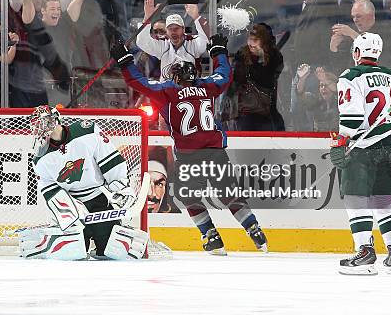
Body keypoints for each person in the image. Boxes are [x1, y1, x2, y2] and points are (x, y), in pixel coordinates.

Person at [111, 34, 268, 254]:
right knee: (230, 194)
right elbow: (224, 74)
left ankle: (211, 236)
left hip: (188, 156)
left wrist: (125, 61)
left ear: (176, 77)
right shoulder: (208, 87)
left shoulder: (168, 91)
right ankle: (254, 230)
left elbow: (137, 81)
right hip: (215, 152)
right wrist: (219, 52)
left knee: (188, 197)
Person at [331, 32, 391, 275]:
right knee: (383, 199)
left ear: (356, 53)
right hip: (388, 145)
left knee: (356, 199)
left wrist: (342, 142)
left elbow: (353, 118)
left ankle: (365, 253)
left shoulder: (350, 77)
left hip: (362, 148)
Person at [19, 105, 149, 260]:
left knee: (113, 252)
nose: (38, 130)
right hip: (74, 206)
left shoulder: (86, 131)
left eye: (40, 125)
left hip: (101, 201)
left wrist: (120, 187)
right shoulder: (40, 159)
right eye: (35, 126)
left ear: (52, 121)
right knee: (73, 255)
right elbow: (49, 189)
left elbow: (110, 160)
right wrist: (69, 208)